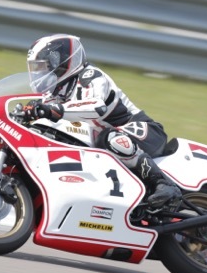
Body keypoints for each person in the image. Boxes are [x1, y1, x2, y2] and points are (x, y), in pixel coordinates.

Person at [23, 33, 181, 208]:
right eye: (36, 68)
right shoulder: (56, 92)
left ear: (60, 61)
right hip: (105, 138)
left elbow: (96, 107)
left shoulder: (90, 76)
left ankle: (164, 184)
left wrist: (54, 110)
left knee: (110, 138)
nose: (39, 73)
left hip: (143, 131)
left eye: (43, 66)